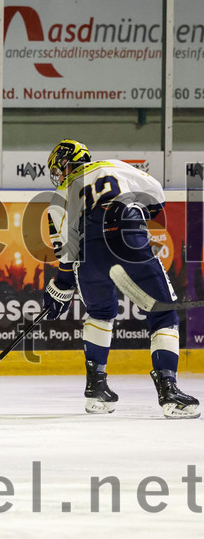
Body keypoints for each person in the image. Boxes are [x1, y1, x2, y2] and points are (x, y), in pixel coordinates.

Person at [43, 139, 199, 418]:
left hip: (89, 256)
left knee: (100, 314)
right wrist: (140, 214)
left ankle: (96, 390)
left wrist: (60, 287)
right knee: (163, 315)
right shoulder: (114, 166)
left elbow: (67, 256)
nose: (60, 175)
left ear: (66, 165)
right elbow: (156, 196)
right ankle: (168, 390)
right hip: (128, 239)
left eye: (60, 169)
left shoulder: (58, 197)